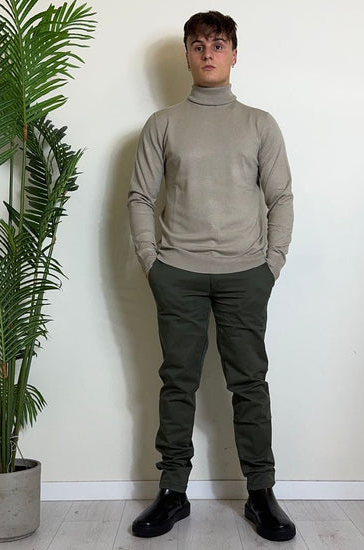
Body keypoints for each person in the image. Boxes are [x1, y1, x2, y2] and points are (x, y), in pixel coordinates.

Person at [127, 11, 295, 542]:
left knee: (250, 383)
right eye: (198, 45)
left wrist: (271, 265)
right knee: (177, 381)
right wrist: (152, 263)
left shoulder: (259, 123)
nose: (208, 54)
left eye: (218, 45)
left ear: (234, 55)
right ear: (187, 56)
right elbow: (140, 196)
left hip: (246, 274)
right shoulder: (163, 124)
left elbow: (281, 197)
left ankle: (261, 493)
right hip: (177, 272)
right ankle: (172, 492)